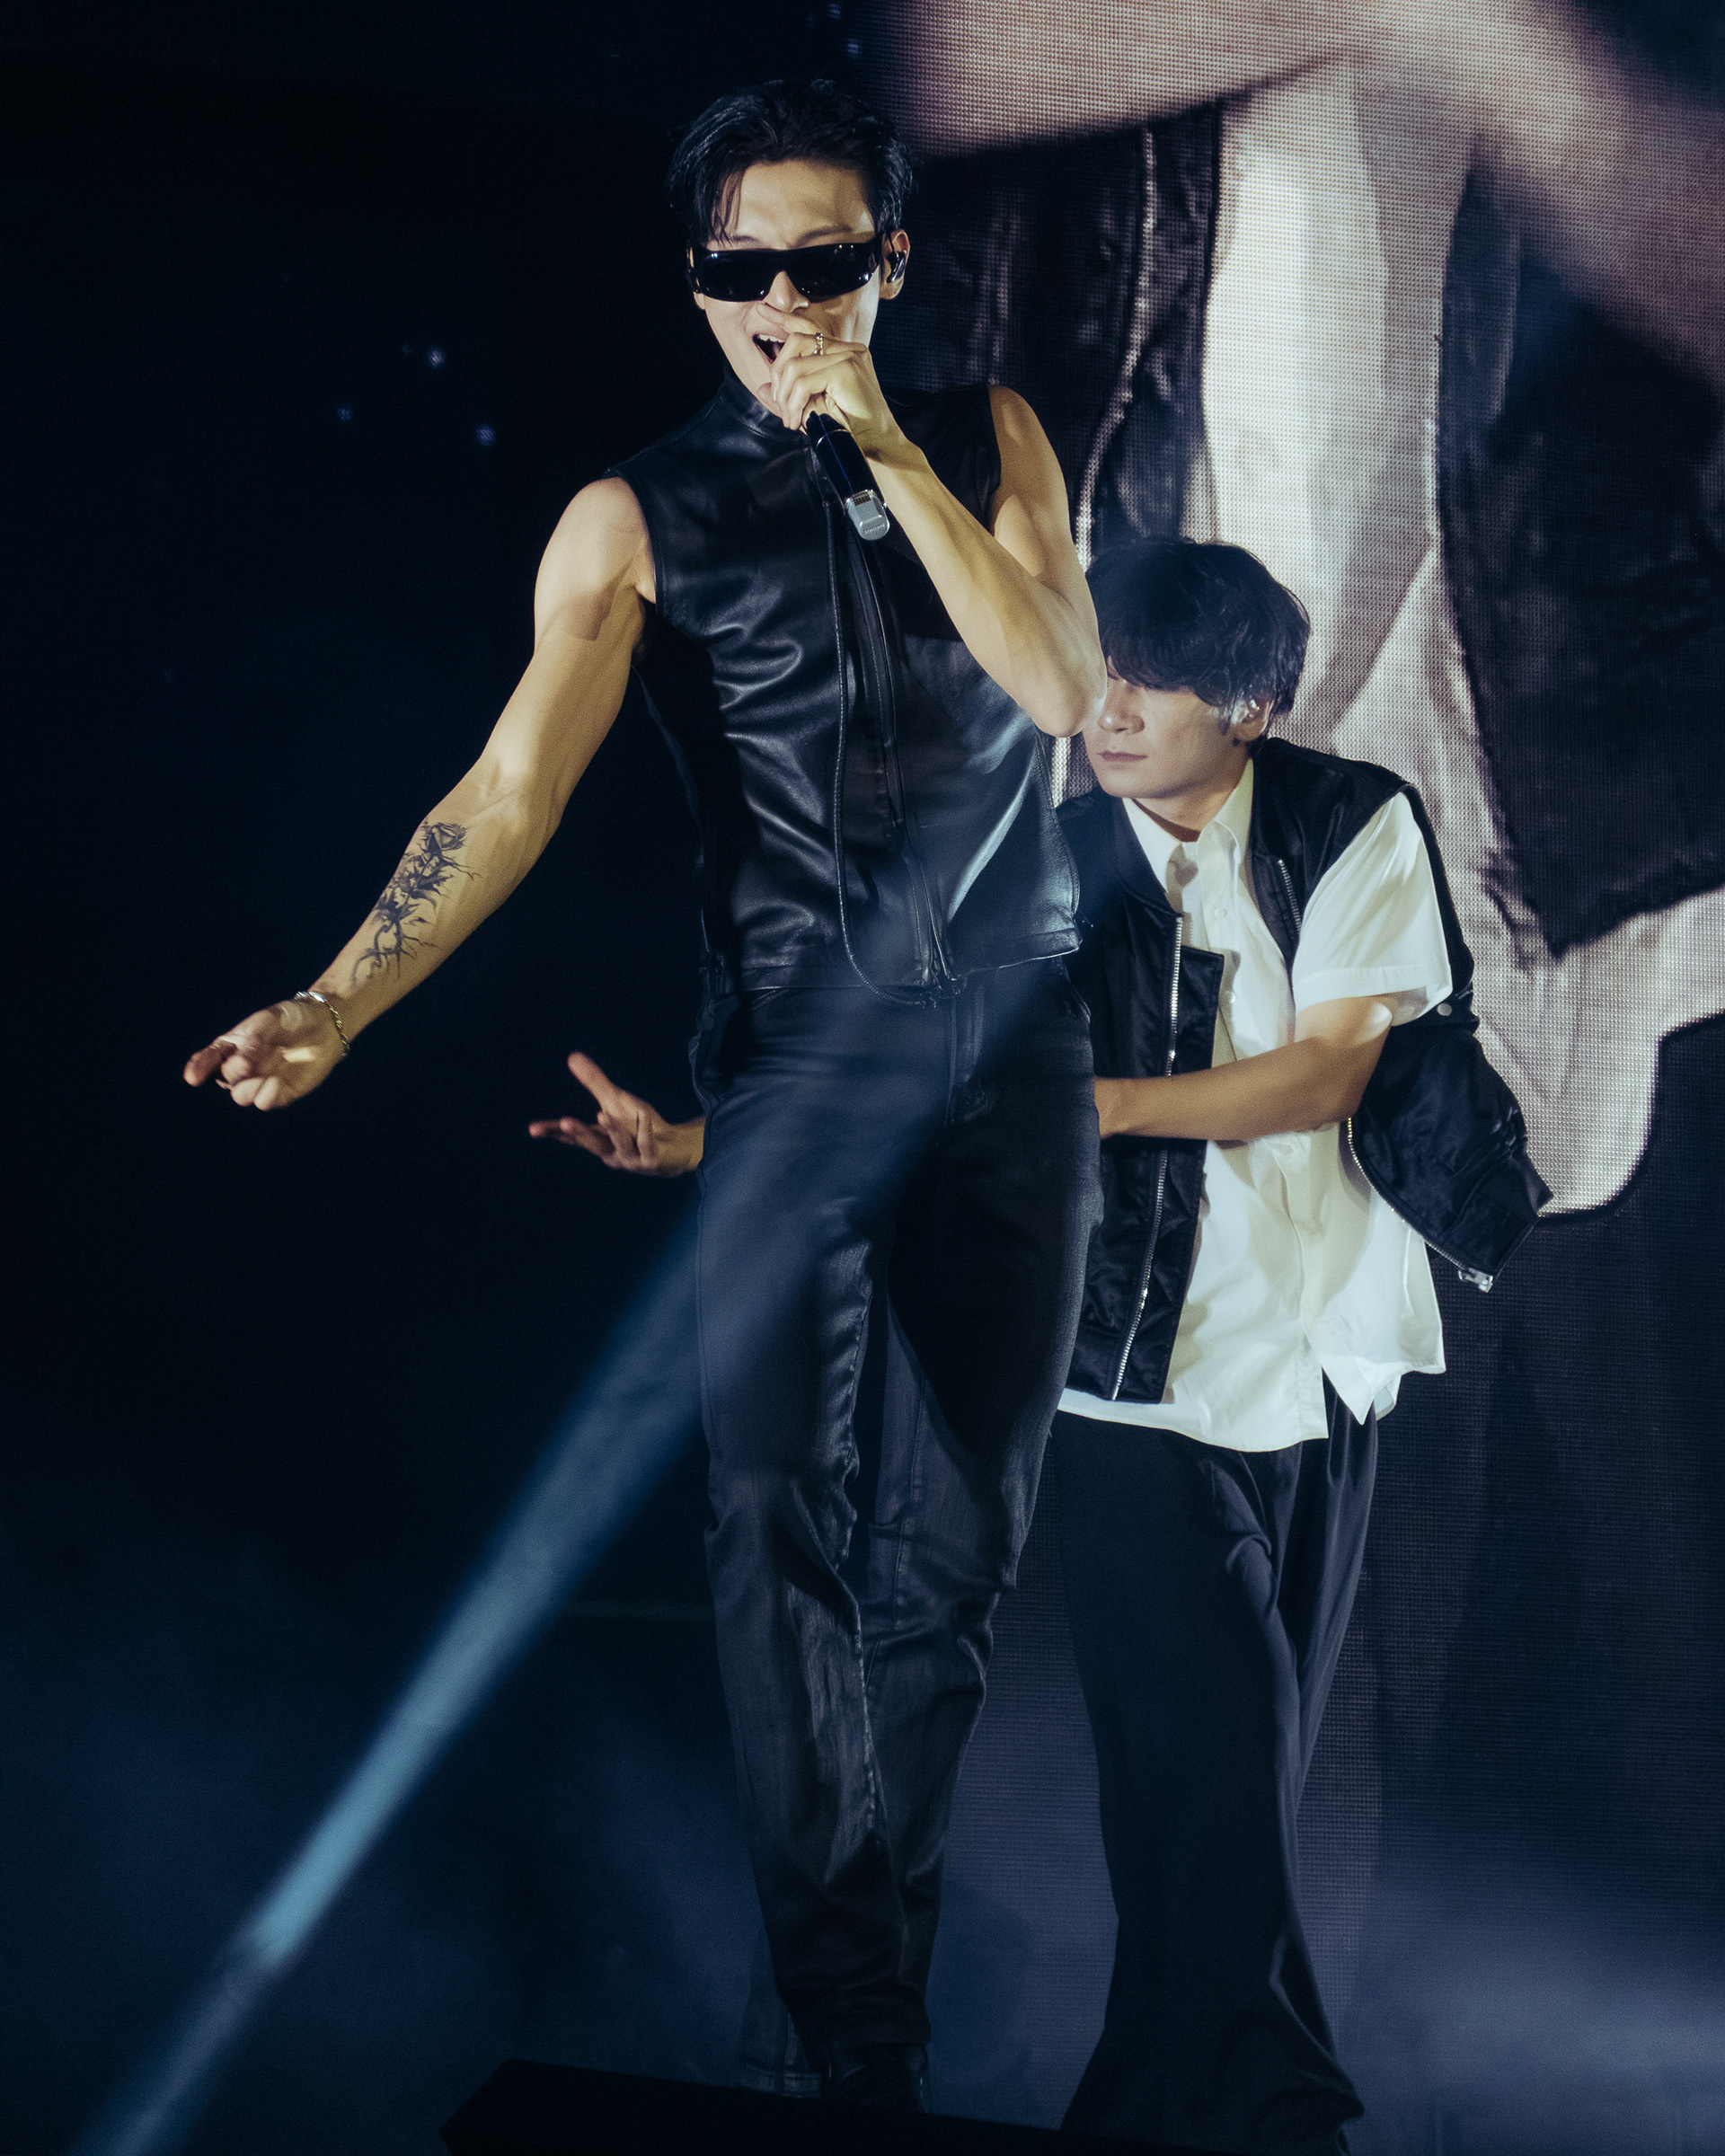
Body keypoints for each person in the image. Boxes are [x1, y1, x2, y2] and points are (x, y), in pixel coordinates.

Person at [183, 78, 1105, 2113]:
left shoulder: (990, 439)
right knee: (774, 1515)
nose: (783, 303)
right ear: (694, 280)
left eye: (824, 263)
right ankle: (856, 2030)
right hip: (803, 1061)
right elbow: (510, 789)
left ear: (889, 264)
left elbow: (1058, 688)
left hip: (1016, 1057)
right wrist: (337, 1001)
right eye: (740, 269)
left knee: (951, 1560)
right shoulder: (636, 519)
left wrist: (884, 451)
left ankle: (849, 2025)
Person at [565, 536, 1544, 2150]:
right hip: (1129, 1387)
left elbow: (1328, 1075)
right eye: (1104, 673)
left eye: (1152, 681)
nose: (1110, 707)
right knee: (1217, 1760)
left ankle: (1155, 2103)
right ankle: (1278, 2107)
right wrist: (691, 1143)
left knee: (1226, 1788)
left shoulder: (1350, 819)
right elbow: (896, 1073)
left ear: (1251, 705)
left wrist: (1095, 1105)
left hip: (1320, 1369)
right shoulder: (1045, 860)